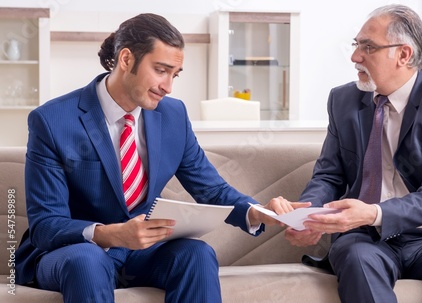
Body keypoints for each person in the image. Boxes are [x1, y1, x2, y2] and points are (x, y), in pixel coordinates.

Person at [15, 13, 302, 303]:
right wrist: (113, 234)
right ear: (126, 59)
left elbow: (211, 188)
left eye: (174, 75)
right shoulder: (53, 121)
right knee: (87, 262)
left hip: (140, 254)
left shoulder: (173, 116)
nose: (168, 86)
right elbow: (47, 225)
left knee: (197, 254)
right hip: (74, 252)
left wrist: (257, 211)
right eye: (161, 70)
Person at [282, 4, 422, 303]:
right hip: (364, 239)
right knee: (358, 259)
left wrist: (374, 213)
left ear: (403, 54)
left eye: (368, 47)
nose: (355, 56)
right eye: (357, 44)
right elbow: (329, 174)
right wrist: (309, 216)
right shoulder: (343, 99)